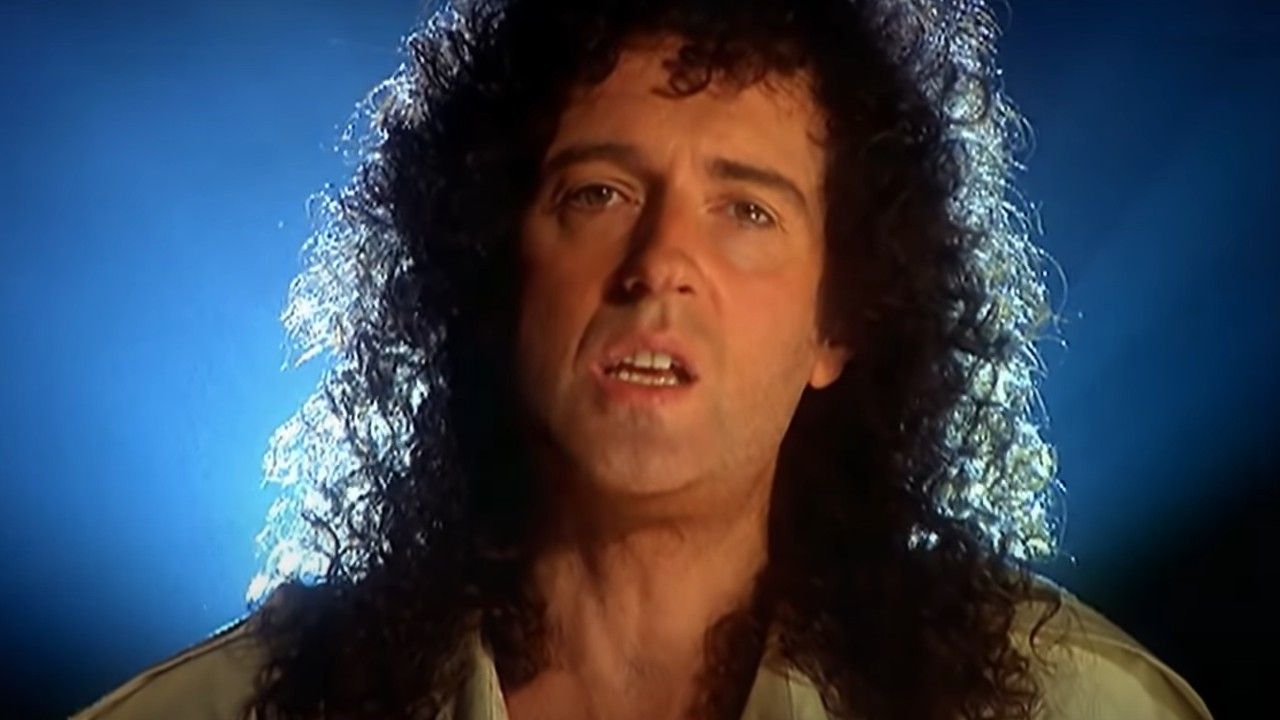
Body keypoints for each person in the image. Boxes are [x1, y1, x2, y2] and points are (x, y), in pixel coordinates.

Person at [74, 0, 1213, 718]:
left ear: (838, 325)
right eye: (599, 193)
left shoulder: (1072, 707)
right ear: (493, 271)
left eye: (747, 211)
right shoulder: (225, 711)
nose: (660, 263)